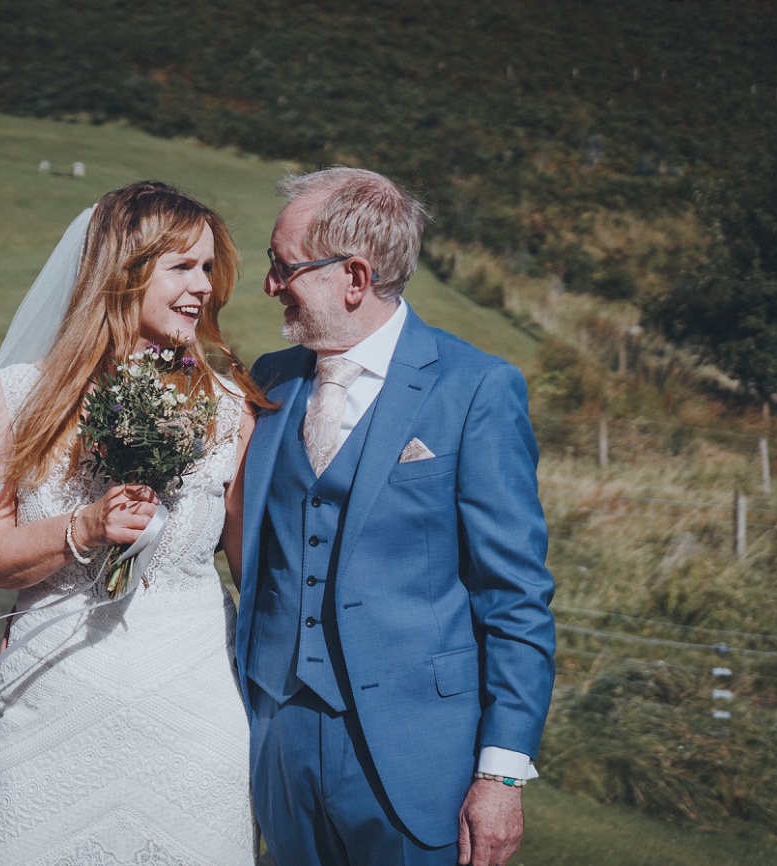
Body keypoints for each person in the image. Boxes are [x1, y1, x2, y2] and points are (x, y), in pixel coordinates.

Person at [0, 181, 266, 866]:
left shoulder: (230, 410)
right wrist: (84, 529)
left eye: (210, 268)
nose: (204, 288)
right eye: (182, 267)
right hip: (50, 702)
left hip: (191, 709)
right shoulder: (19, 395)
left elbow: (256, 578)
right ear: (125, 272)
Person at [236, 167, 555, 866]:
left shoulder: (475, 388)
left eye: (282, 267)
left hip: (417, 755)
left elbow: (516, 597)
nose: (269, 286)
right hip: (278, 744)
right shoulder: (271, 379)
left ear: (355, 276)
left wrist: (500, 774)